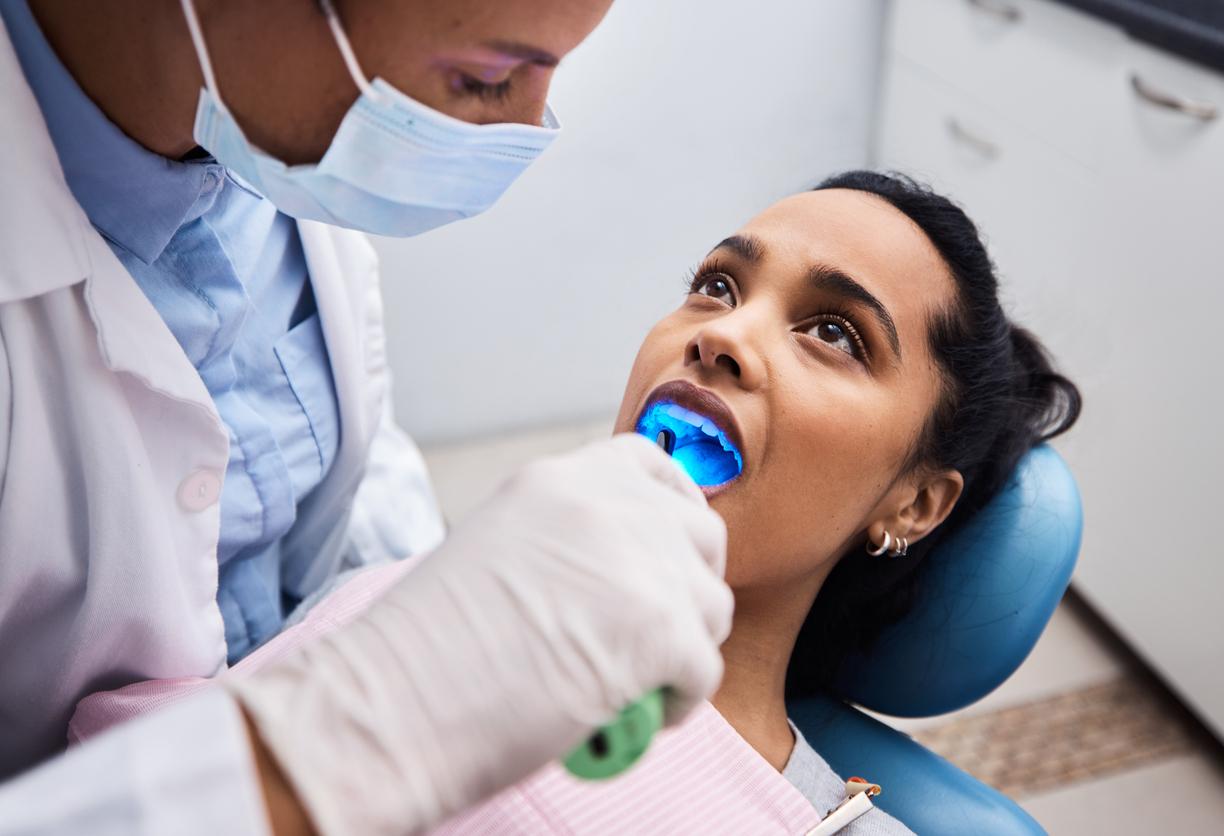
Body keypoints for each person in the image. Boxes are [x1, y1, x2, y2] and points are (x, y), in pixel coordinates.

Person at [62, 171, 1082, 834]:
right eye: (716, 286)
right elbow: (143, 761)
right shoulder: (418, 604)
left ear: (912, 501)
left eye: (833, 333)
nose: (721, 335)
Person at [0, 0, 734, 833]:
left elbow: (331, 495)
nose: (525, 126)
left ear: (916, 502)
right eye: (486, 76)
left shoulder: (267, 151)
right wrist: (357, 728)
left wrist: (447, 611)